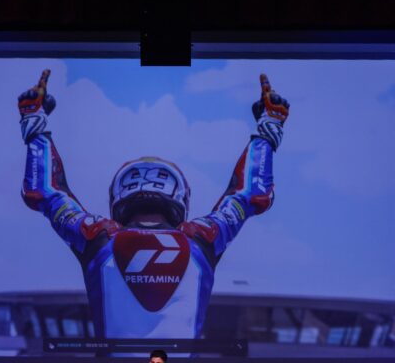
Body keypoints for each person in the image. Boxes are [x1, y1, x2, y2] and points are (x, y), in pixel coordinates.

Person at [19, 68, 289, 339]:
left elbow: (45, 190)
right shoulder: (204, 237)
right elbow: (248, 194)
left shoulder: (96, 235)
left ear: (119, 196)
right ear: (179, 196)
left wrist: (34, 120)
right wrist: (269, 128)